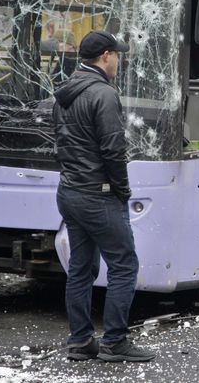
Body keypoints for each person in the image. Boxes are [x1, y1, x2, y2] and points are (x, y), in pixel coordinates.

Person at [52, 30, 154, 363]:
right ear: (106, 56)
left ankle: (80, 341)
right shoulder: (103, 94)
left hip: (69, 191)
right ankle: (115, 341)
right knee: (124, 265)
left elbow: (60, 144)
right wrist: (122, 191)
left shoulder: (64, 93)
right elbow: (113, 149)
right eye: (118, 55)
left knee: (80, 268)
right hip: (98, 194)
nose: (120, 61)